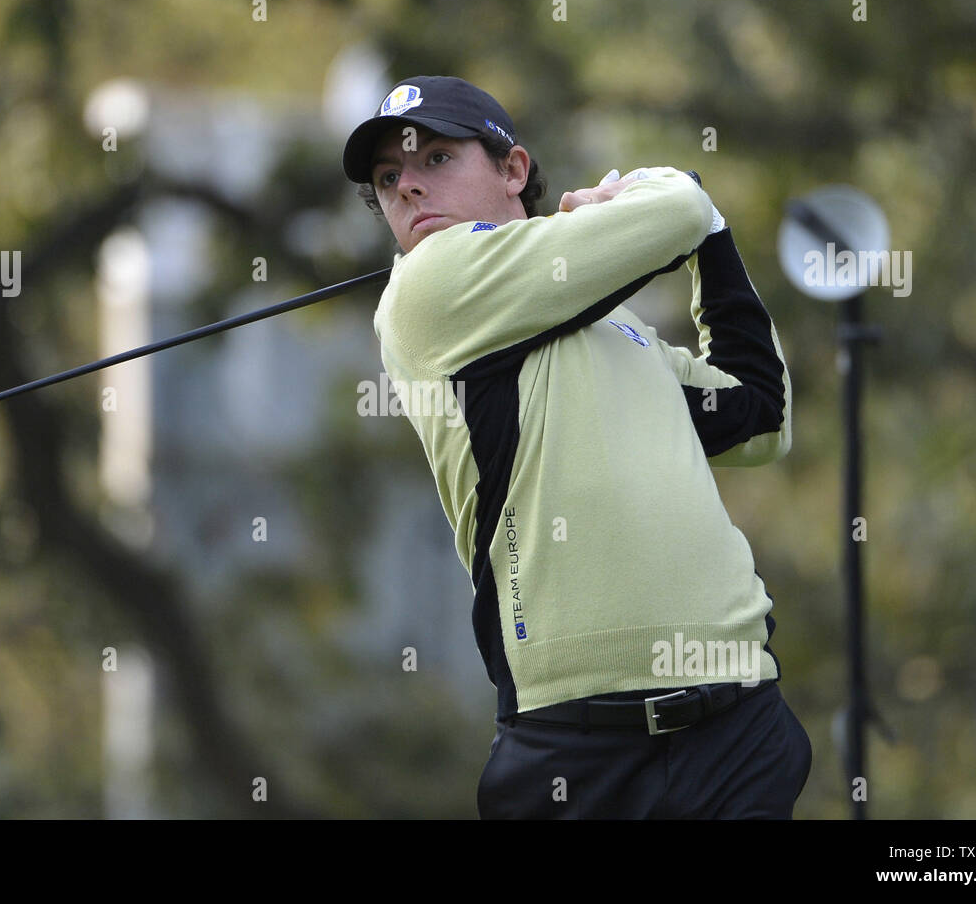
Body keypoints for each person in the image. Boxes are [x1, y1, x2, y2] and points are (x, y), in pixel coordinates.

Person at [342, 75, 812, 819]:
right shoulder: (426, 289)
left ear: (514, 170)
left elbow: (758, 416)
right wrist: (682, 194)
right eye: (388, 179)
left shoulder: (614, 327)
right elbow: (677, 205)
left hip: (735, 727)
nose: (406, 189)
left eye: (434, 159)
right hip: (577, 750)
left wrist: (715, 239)